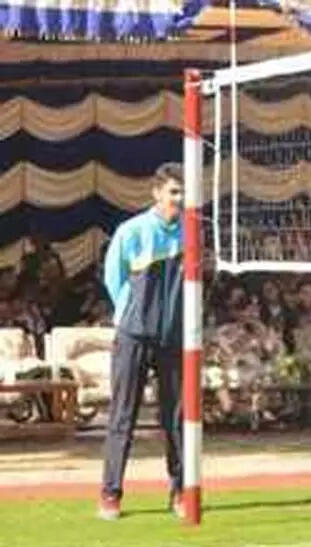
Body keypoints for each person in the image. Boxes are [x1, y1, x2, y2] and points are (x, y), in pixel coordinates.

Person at [97, 163, 186, 521]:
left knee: (177, 418)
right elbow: (113, 277)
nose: (179, 199)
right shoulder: (132, 231)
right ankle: (110, 493)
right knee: (122, 416)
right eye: (174, 192)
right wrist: (131, 314)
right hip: (134, 336)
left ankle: (181, 489)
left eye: (183, 192)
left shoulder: (191, 233)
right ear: (157, 193)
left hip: (173, 338)